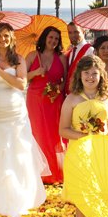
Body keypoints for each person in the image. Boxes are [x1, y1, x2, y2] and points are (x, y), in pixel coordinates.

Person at [0, 22, 48, 217]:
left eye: (6, 36)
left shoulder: (19, 59)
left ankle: (20, 194)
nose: (2, 39)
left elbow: (21, 84)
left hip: (15, 114)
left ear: (12, 38)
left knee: (18, 151)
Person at [59, 55, 108, 217]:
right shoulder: (71, 99)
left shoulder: (107, 99)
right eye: (86, 73)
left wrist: (102, 136)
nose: (90, 77)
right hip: (80, 153)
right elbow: (63, 130)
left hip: (102, 152)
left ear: (101, 76)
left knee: (102, 194)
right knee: (82, 196)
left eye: (94, 73)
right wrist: (84, 135)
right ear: (79, 75)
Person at [25, 25, 68, 183]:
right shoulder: (32, 56)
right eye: (50, 37)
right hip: (35, 100)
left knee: (54, 135)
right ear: (44, 38)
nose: (53, 41)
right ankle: (39, 173)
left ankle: (55, 172)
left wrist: (57, 90)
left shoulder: (61, 58)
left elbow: (65, 80)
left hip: (54, 101)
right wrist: (36, 72)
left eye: (56, 38)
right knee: (37, 133)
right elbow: (22, 77)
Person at [65, 22, 94, 93]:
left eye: (76, 32)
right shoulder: (71, 52)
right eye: (70, 33)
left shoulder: (90, 50)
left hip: (81, 93)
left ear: (83, 32)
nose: (72, 35)